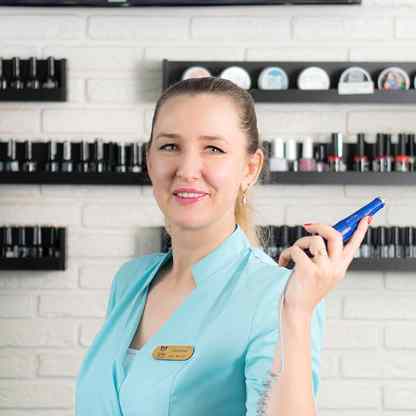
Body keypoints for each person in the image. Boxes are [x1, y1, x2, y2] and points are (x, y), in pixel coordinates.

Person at [75, 77, 370, 416]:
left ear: (250, 168)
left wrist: (296, 313)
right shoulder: (130, 280)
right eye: (169, 146)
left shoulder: (280, 295)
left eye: (213, 149)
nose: (187, 170)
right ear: (149, 161)